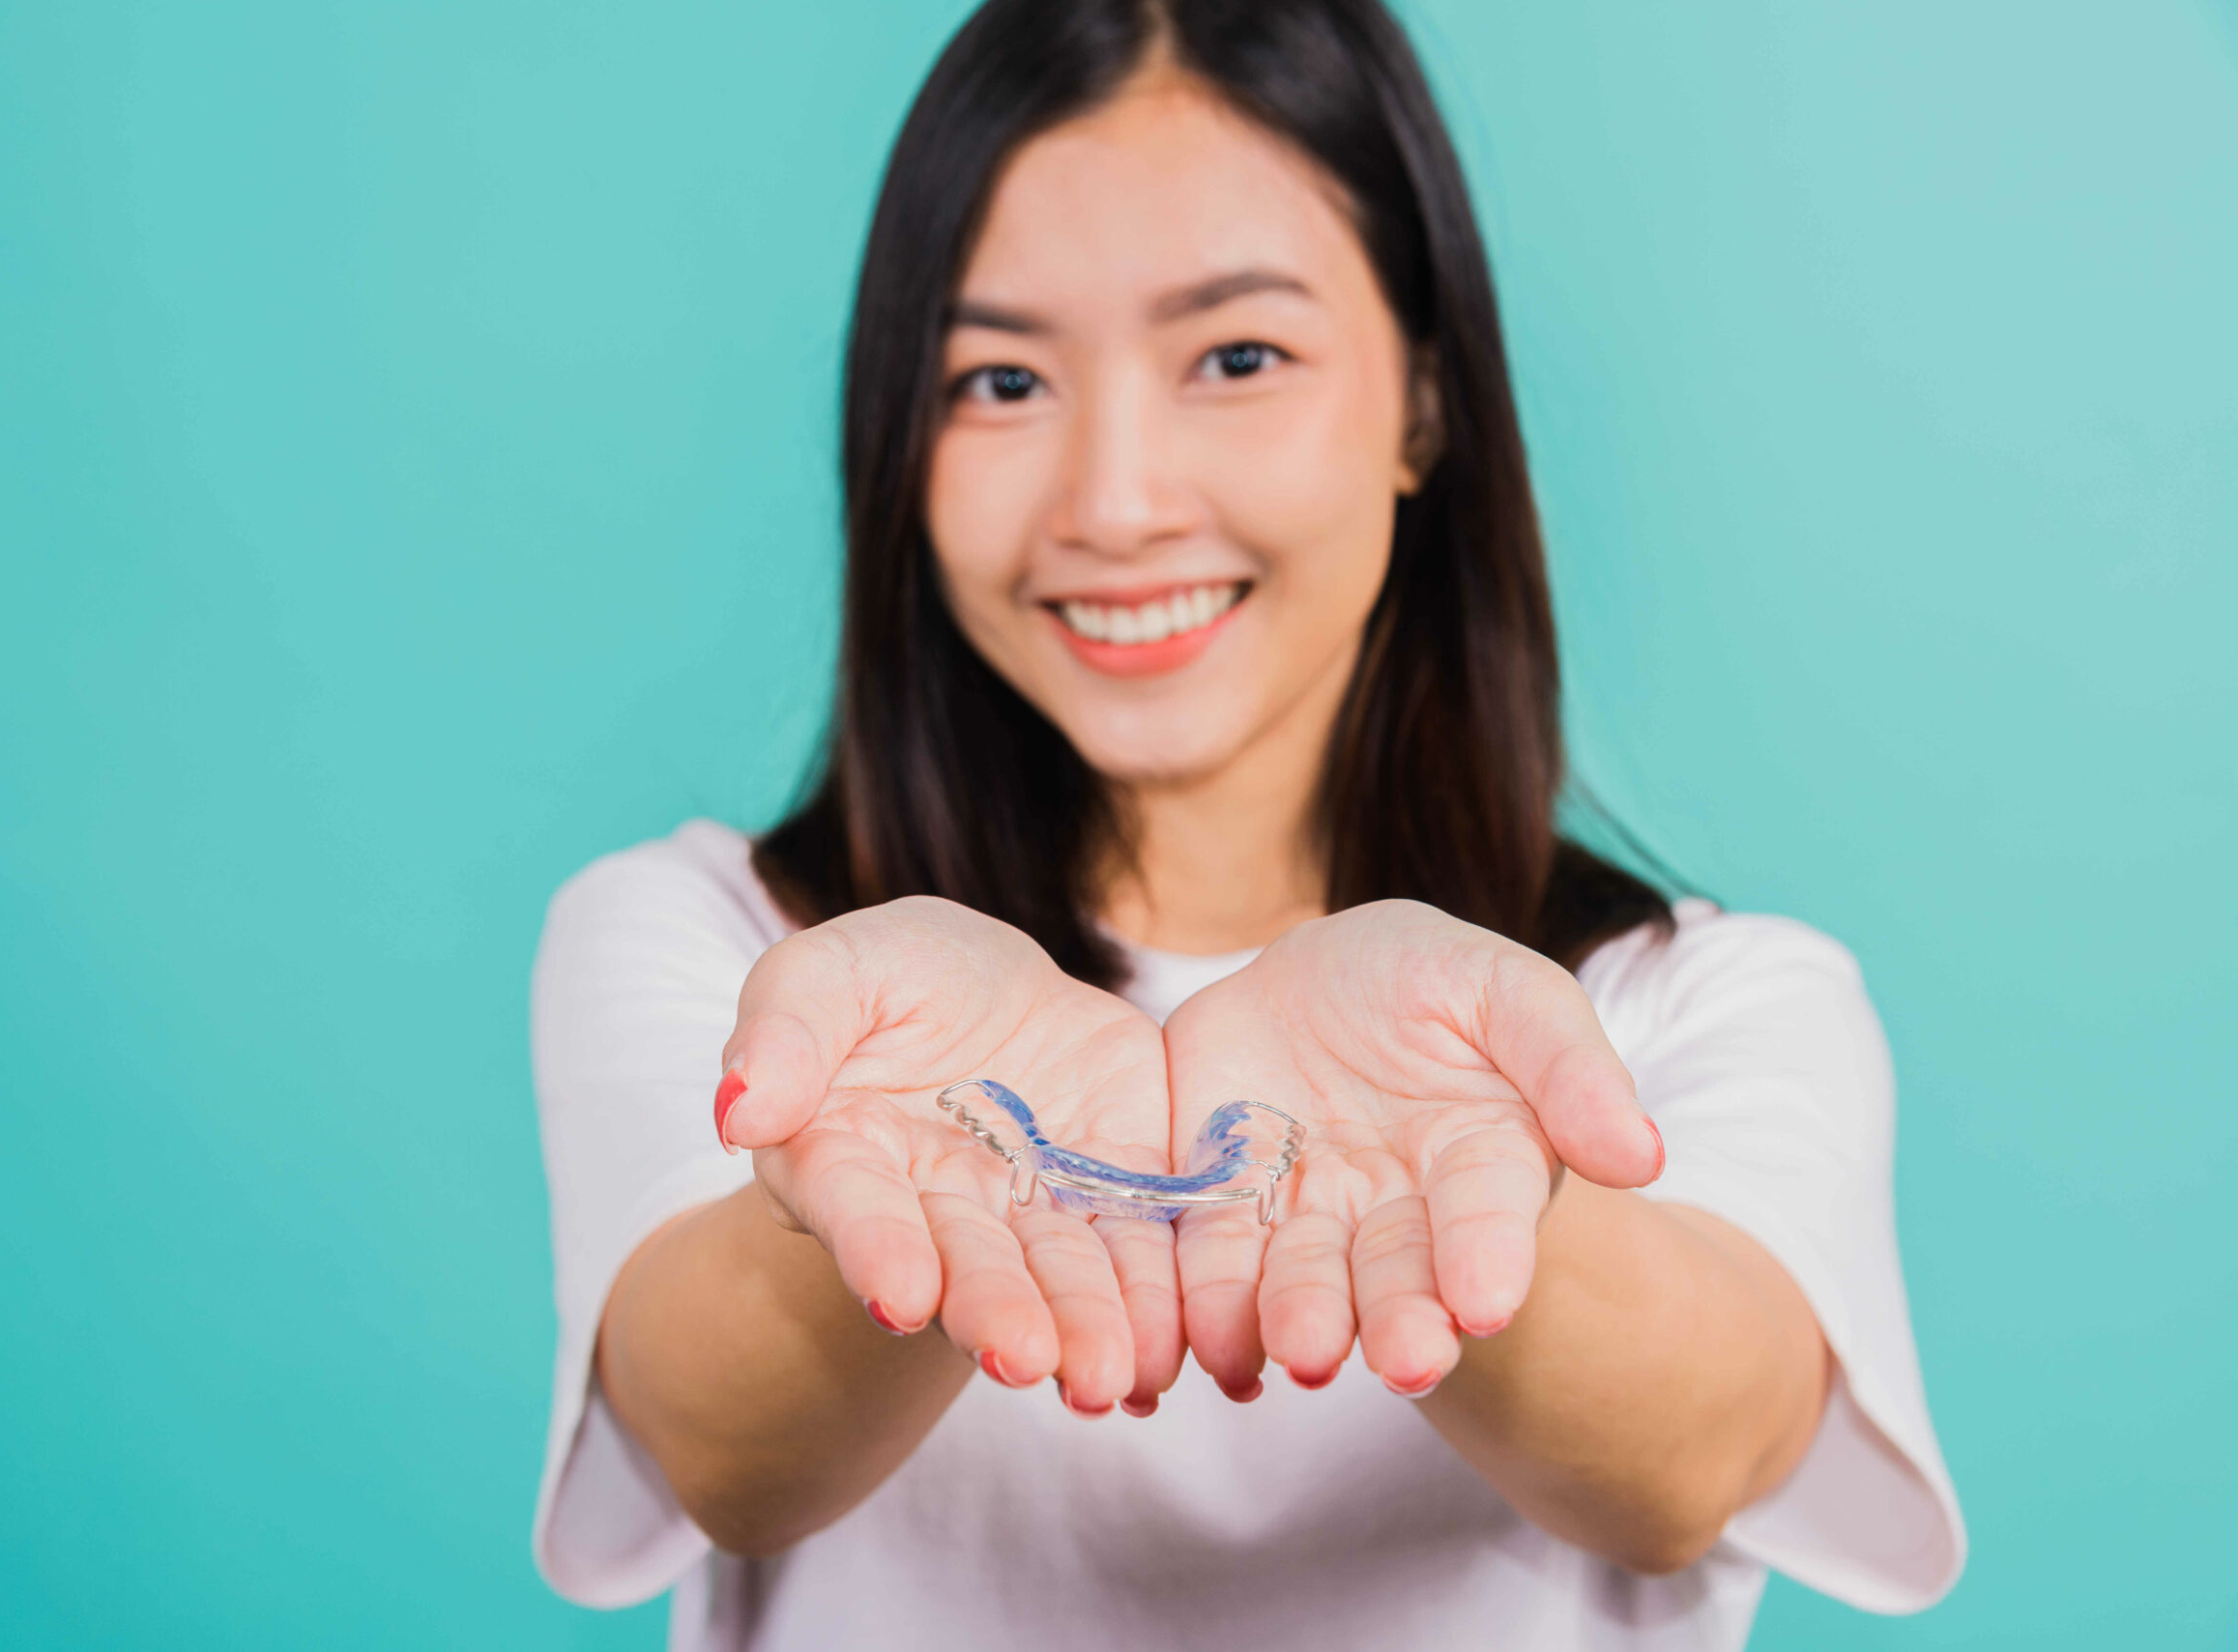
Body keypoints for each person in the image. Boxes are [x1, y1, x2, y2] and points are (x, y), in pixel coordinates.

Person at [530, 1, 1964, 1645]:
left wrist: (1470, 1179)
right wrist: (872, 1169)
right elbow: (712, 1444)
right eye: (999, 378)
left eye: (1236, 356)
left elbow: (1693, 1458)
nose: (1116, 501)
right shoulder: (729, 958)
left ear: (1426, 399)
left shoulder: (1694, 1004)